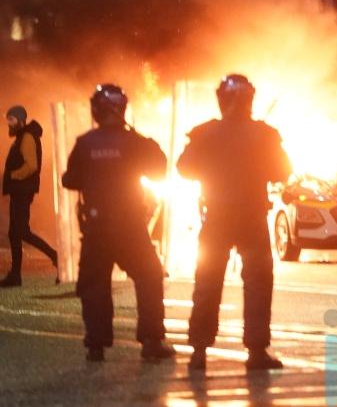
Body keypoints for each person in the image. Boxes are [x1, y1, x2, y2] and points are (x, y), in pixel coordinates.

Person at [178, 74, 291, 371]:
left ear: (222, 99)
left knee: (207, 281)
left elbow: (184, 168)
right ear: (249, 99)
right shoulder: (264, 134)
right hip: (251, 218)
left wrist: (212, 167)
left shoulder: (205, 133)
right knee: (258, 283)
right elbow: (282, 171)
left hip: (217, 217)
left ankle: (199, 351)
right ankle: (256, 351)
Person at [62, 84, 175, 362]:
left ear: (97, 110)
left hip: (96, 226)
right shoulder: (134, 141)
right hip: (129, 225)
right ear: (122, 108)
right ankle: (151, 341)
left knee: (94, 283)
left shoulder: (85, 142)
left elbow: (69, 180)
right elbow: (159, 170)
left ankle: (96, 345)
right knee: (149, 276)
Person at [1, 106, 58, 287]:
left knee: (21, 232)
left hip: (22, 191)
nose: (9, 123)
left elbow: (31, 165)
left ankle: (55, 257)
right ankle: (15, 275)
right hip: (19, 190)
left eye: (11, 119)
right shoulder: (22, 137)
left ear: (20, 120)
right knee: (14, 233)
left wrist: (13, 176)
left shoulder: (26, 137)